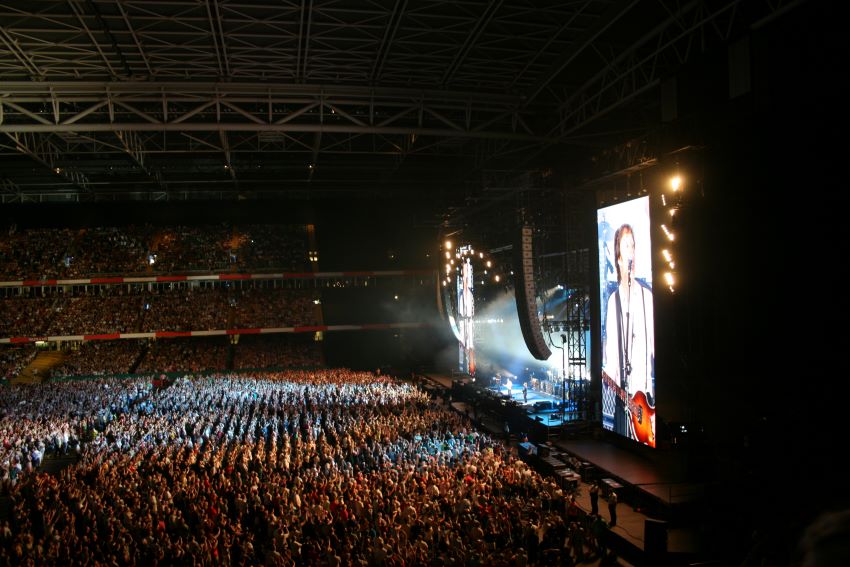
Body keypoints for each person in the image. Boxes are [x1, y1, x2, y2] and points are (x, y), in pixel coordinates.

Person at [602, 223, 656, 446]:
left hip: (645, 399)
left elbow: (653, 348)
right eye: (626, 245)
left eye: (633, 245)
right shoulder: (613, 302)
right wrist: (608, 378)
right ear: (619, 256)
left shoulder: (647, 297)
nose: (631, 250)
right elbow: (612, 359)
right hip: (623, 399)